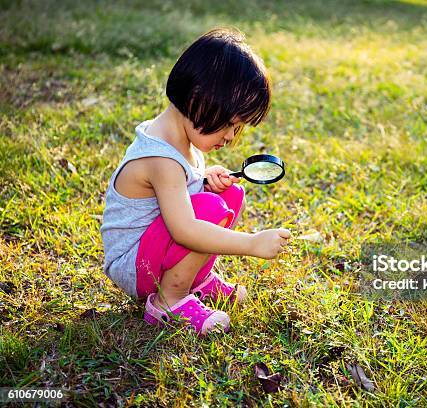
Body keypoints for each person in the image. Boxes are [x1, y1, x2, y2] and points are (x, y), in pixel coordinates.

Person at [101, 28, 290, 336]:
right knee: (211, 210)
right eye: (229, 124)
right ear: (198, 99)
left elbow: (175, 195)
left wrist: (202, 179)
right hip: (134, 266)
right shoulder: (161, 158)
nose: (230, 136)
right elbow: (185, 230)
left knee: (229, 195)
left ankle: (196, 281)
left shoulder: (181, 138)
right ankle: (169, 300)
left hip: (153, 249)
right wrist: (251, 243)